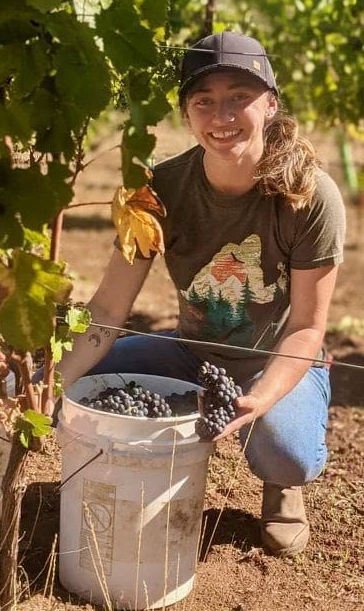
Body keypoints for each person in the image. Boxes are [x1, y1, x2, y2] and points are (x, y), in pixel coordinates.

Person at [58, 31, 345, 557]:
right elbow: (106, 309)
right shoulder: (158, 191)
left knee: (288, 451)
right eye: (204, 101)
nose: (222, 115)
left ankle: (281, 485)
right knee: (83, 388)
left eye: (240, 97)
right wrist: (50, 385)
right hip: (192, 354)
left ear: (271, 104)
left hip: (277, 362)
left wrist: (260, 399)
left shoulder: (310, 195)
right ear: (188, 115)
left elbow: (307, 327)